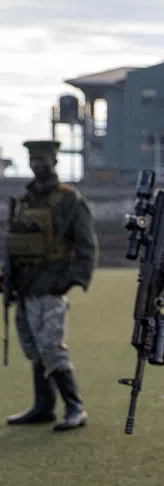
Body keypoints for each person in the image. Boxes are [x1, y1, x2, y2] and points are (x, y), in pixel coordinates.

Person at [4, 139, 97, 431]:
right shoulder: (26, 200)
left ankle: (74, 407)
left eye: (42, 160)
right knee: (33, 348)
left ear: (54, 161)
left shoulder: (68, 199)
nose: (36, 165)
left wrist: (72, 280)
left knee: (51, 347)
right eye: (33, 160)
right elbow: (15, 244)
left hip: (51, 284)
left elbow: (86, 244)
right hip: (25, 286)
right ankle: (44, 406)